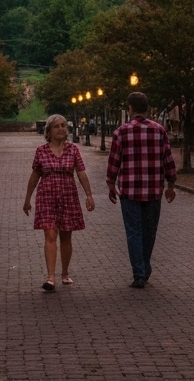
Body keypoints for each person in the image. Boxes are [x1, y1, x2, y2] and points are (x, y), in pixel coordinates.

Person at [106, 92, 176, 289]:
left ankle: (139, 272)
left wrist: (111, 183)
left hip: (129, 191)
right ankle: (144, 267)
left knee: (133, 232)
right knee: (149, 232)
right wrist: (171, 184)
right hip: (153, 190)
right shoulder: (159, 130)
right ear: (146, 108)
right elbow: (168, 159)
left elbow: (114, 161)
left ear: (130, 108)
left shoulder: (121, 132)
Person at [23, 114, 95, 292]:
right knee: (50, 235)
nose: (61, 129)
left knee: (66, 237)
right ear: (49, 131)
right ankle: (50, 277)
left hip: (68, 196)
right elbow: (34, 176)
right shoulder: (41, 151)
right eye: (56, 126)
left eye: (64, 125)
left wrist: (89, 195)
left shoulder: (73, 150)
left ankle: (64, 272)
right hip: (47, 196)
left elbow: (81, 173)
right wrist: (27, 199)